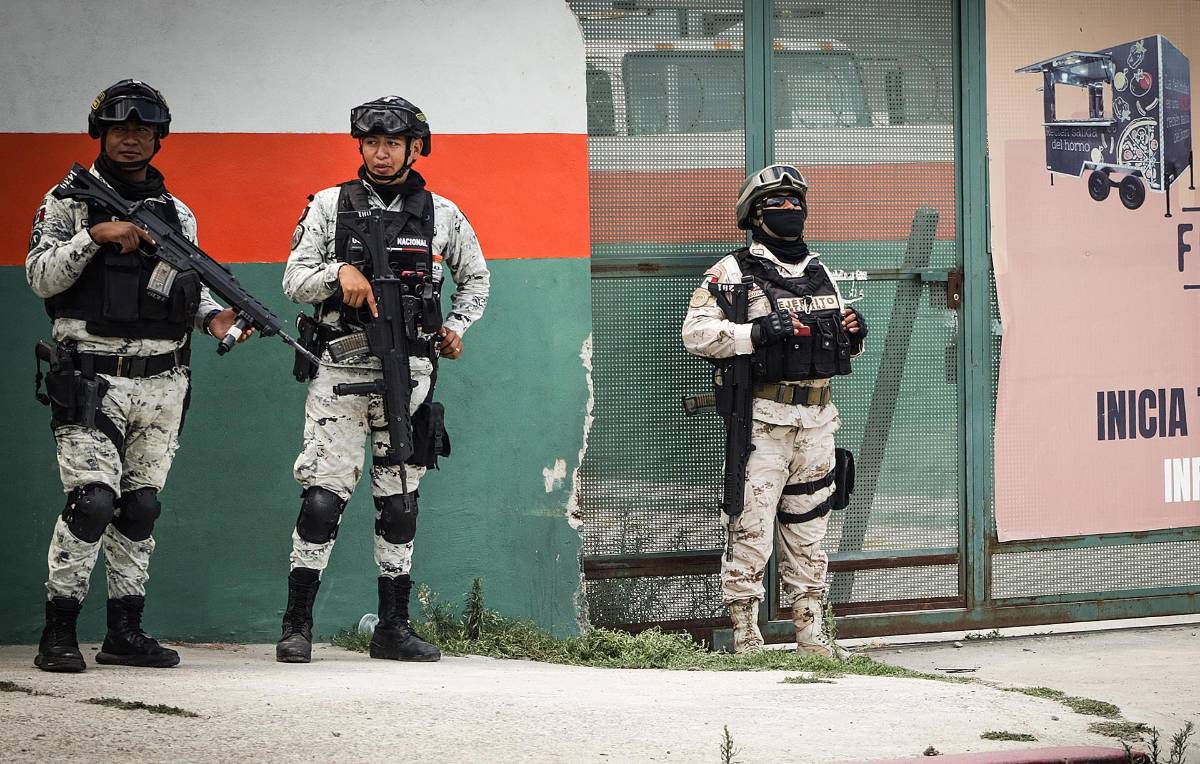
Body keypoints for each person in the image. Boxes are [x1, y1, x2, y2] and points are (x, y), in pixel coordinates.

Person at [27, 79, 249, 672]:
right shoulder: (67, 202)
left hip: (163, 382)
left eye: (143, 131)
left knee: (140, 506)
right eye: (120, 129)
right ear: (101, 133)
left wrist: (214, 319)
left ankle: (125, 632)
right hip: (91, 376)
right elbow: (41, 277)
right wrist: (93, 237)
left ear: (159, 138)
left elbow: (189, 290)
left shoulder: (178, 213)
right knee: (92, 502)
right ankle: (59, 632)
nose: (131, 139)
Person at [276, 96, 490, 664]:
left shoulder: (442, 214)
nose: (380, 153)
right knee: (322, 501)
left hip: (410, 373)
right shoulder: (327, 206)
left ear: (414, 147)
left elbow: (476, 279)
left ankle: (393, 627)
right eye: (370, 143)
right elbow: (293, 279)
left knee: (399, 503)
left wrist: (458, 326)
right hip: (340, 372)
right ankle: (296, 625)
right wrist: (337, 273)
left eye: (392, 143)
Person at [682, 164, 867, 656]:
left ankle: (812, 635)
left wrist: (854, 335)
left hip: (819, 422)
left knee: (810, 529)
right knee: (752, 526)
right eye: (777, 204)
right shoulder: (733, 271)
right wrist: (753, 334)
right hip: (764, 422)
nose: (790, 211)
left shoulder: (819, 270)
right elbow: (695, 334)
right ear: (753, 214)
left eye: (796, 203)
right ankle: (745, 636)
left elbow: (838, 345)